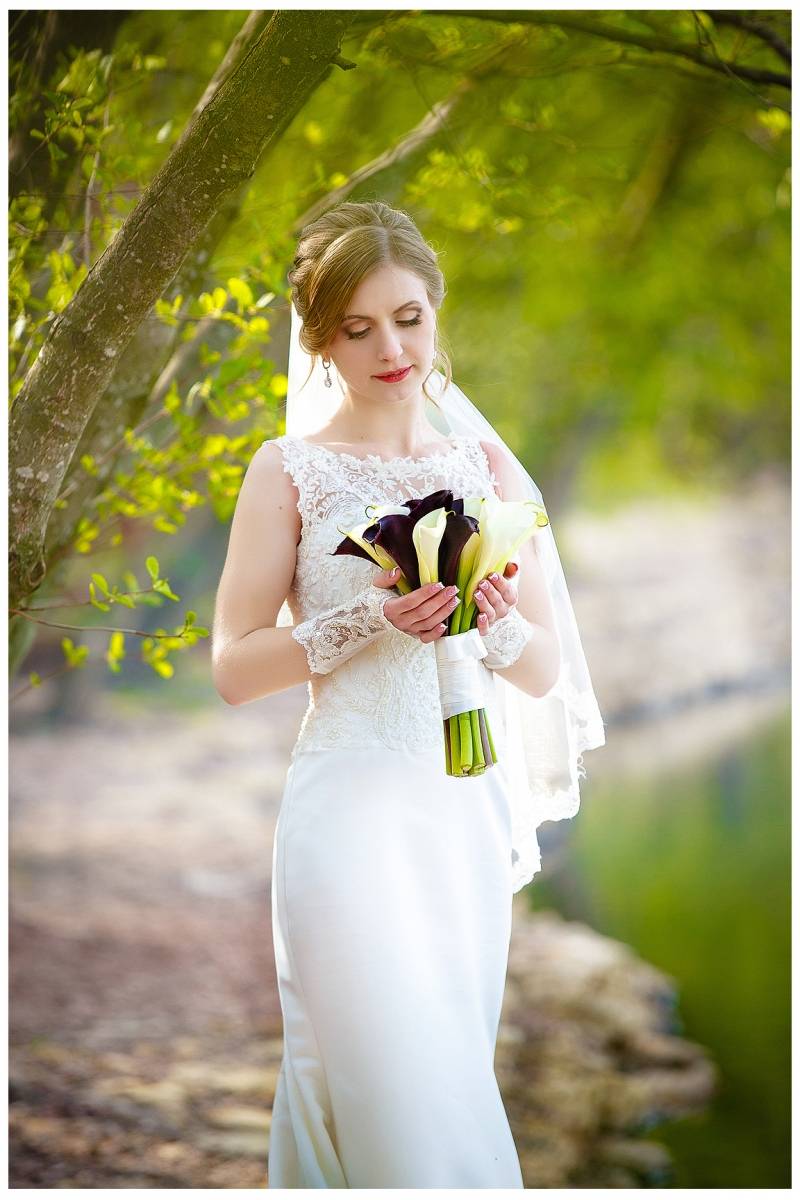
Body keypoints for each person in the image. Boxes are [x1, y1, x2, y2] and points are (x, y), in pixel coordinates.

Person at [211, 200, 604, 1187]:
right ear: (319, 340)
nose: (390, 349)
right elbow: (233, 666)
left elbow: (542, 670)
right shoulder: (286, 471)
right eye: (358, 329)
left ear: (435, 313)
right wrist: (368, 620)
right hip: (346, 811)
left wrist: (488, 616)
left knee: (446, 1078)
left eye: (408, 318)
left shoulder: (484, 466)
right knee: (373, 1077)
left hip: (459, 813)